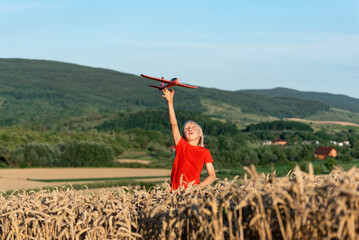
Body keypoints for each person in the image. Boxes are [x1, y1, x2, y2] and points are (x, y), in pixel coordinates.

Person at [162, 88, 216, 191]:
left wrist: (196, 188)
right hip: (173, 193)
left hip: (191, 193)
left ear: (200, 133)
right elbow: (174, 124)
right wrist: (170, 102)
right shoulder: (181, 144)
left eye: (193, 127)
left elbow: (212, 175)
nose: (190, 128)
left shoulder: (205, 152)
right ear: (183, 134)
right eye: (186, 128)